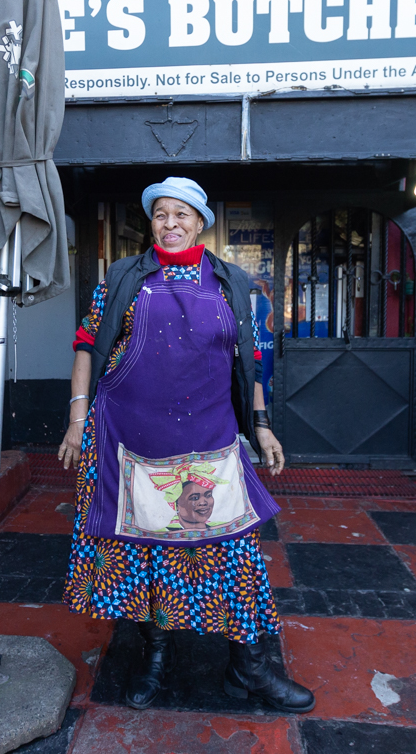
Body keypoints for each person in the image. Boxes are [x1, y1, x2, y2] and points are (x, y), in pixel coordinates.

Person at [58, 177, 314, 714]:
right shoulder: (123, 275)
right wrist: (78, 419)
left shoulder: (233, 283)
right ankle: (155, 654)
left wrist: (261, 425)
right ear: (150, 223)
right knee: (149, 555)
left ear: (201, 222)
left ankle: (249, 667)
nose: (170, 224)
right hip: (133, 440)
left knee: (234, 552)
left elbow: (251, 364)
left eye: (182, 214)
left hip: (210, 441)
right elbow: (87, 344)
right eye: (160, 215)